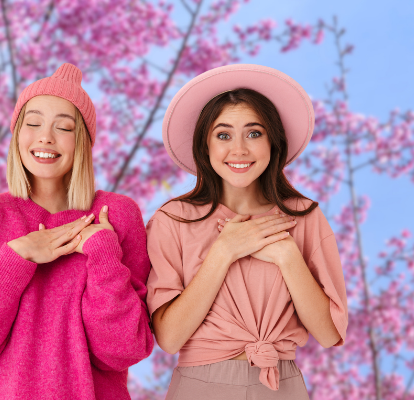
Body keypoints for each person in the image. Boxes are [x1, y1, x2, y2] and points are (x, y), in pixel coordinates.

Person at [0, 63, 153, 399]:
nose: (45, 137)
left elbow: (123, 351)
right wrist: (17, 258)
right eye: (32, 123)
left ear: (83, 141)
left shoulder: (116, 215)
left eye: (63, 127)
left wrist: (104, 257)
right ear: (18, 133)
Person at [146, 64, 349, 399]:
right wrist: (224, 251)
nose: (238, 149)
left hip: (282, 387)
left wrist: (287, 256)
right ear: (205, 145)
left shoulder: (304, 216)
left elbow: (328, 334)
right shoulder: (174, 220)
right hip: (200, 388)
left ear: (273, 143)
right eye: (223, 135)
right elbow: (168, 338)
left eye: (254, 133)